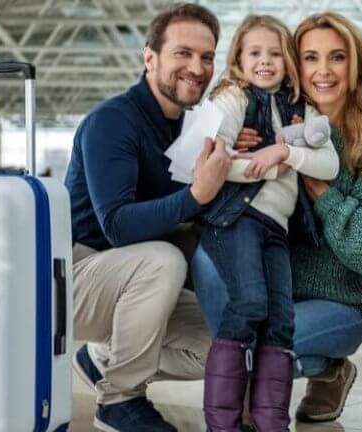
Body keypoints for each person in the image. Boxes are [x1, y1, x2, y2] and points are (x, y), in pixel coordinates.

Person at [192, 11, 362, 425]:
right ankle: (251, 381)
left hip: (341, 302)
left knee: (261, 350)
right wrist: (239, 153)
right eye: (310, 58)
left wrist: (319, 189)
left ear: (354, 66)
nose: (323, 71)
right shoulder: (270, 118)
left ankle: (328, 369)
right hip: (279, 294)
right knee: (211, 270)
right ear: (294, 65)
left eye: (337, 57)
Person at [62, 4, 230, 431]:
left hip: (134, 286)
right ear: (150, 58)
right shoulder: (112, 121)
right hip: (72, 277)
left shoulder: (190, 128)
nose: (197, 68)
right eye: (183, 53)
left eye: (207, 57)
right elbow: (117, 225)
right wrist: (197, 194)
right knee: (163, 259)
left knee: (226, 351)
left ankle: (103, 358)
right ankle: (119, 401)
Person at [197, 14, 339, 432]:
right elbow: (208, 161)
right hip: (237, 218)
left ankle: (270, 423)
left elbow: (328, 163)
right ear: (239, 58)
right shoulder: (231, 99)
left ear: (288, 60)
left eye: (275, 53)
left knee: (282, 321)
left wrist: (285, 155)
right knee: (250, 303)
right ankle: (222, 424)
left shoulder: (302, 108)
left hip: (276, 229)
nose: (265, 61)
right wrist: (266, 169)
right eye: (254, 53)